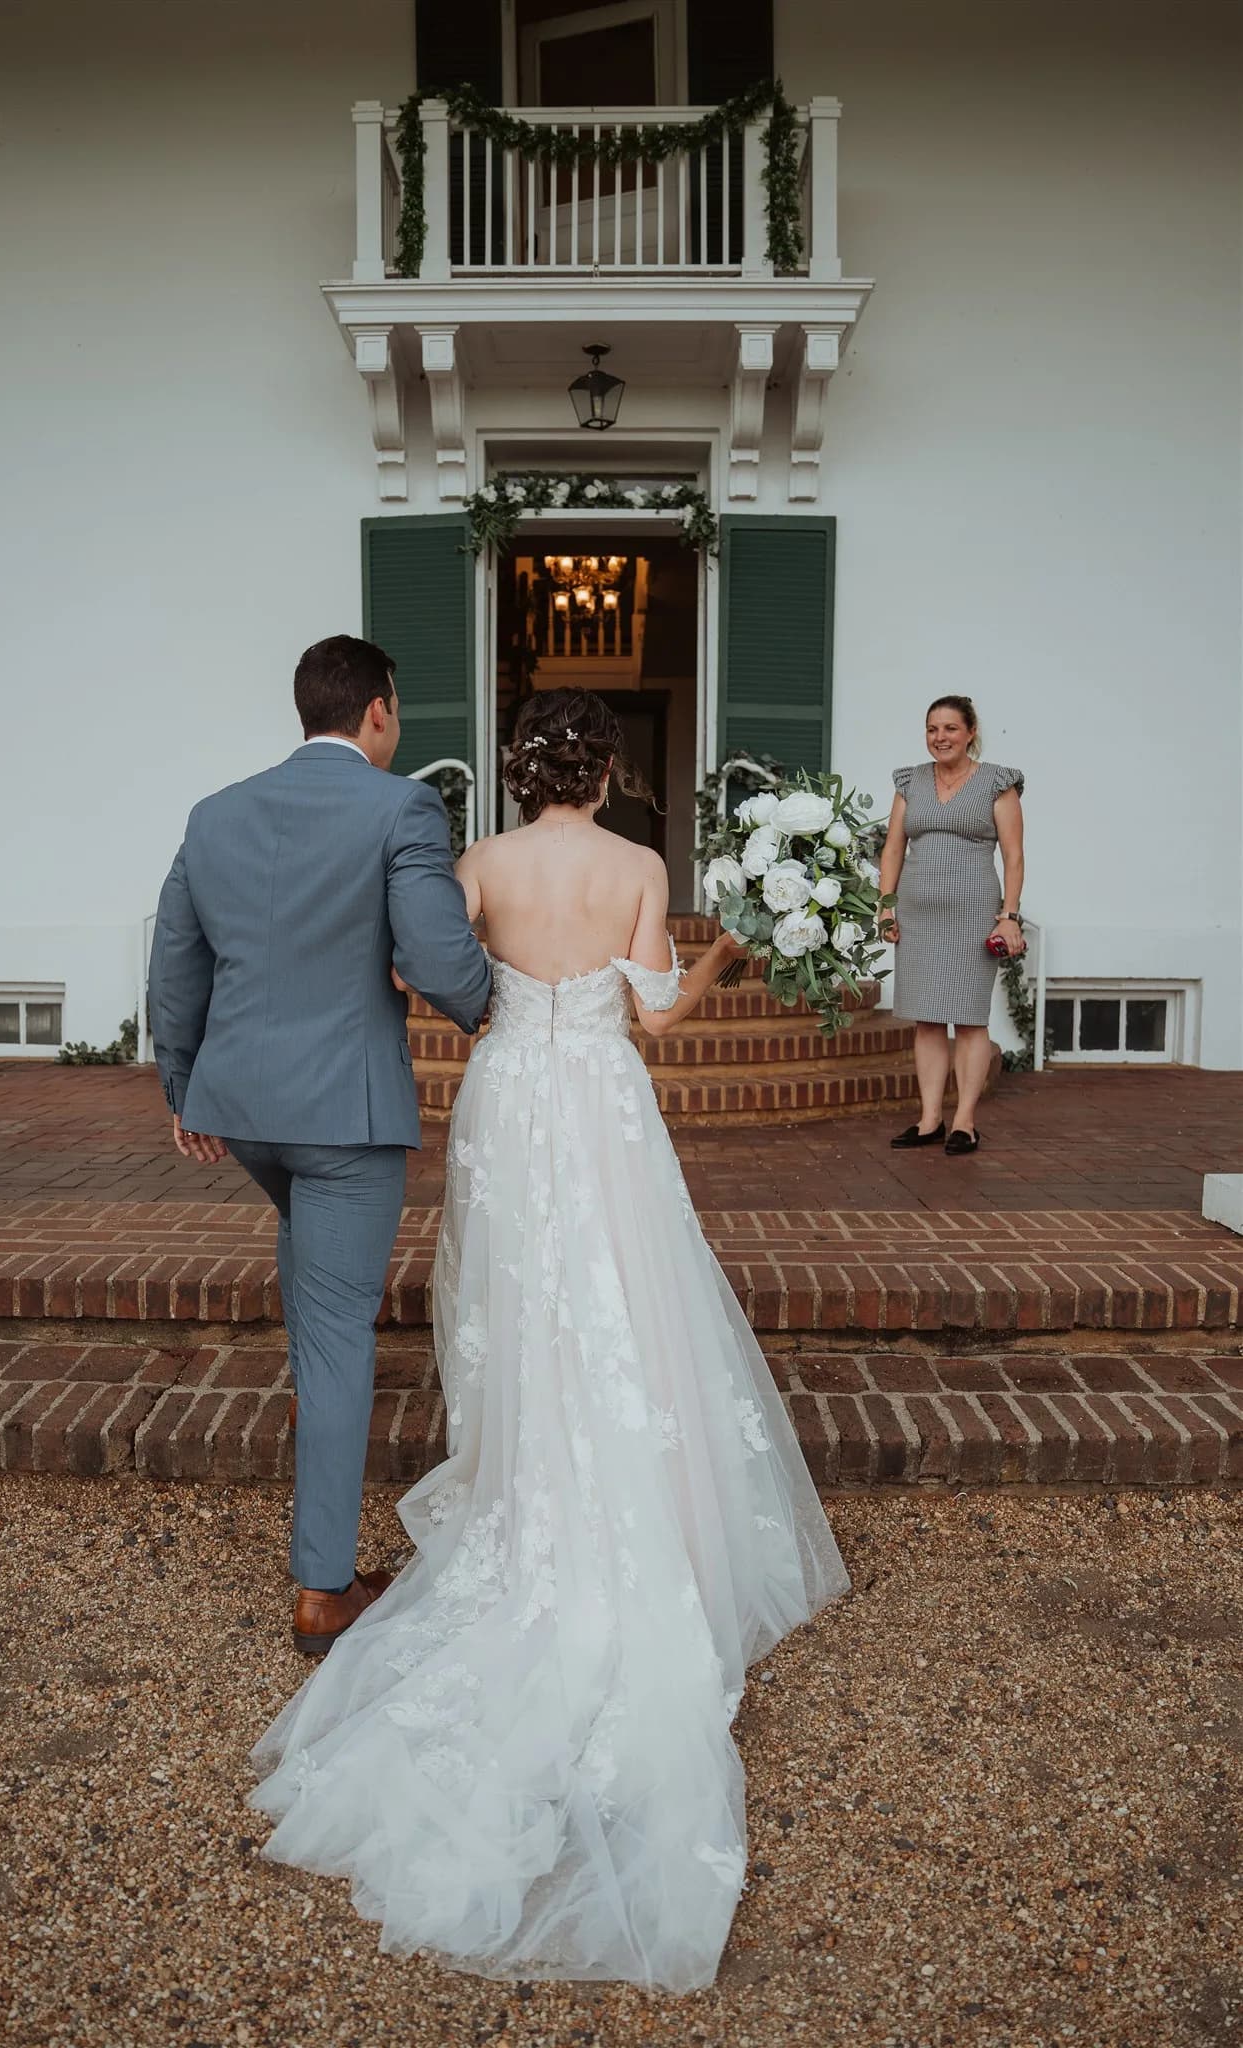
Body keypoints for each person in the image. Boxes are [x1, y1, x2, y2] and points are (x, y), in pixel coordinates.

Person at [249, 687, 849, 1992]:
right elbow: (657, 1019)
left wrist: (494, 1006)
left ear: (519, 772)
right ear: (608, 768)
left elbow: (426, 975)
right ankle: (631, 1506)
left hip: (511, 1096)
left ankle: (527, 1482)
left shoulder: (473, 864)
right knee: (623, 1299)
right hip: (603, 1103)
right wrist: (722, 961)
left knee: (515, 1306)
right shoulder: (639, 864)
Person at [147, 636, 491, 1653]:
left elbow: (175, 961)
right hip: (344, 1113)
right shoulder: (402, 807)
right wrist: (491, 1007)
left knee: (310, 1259)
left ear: (309, 711)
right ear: (378, 710)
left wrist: (183, 1084)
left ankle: (319, 1431)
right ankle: (324, 1588)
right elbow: (438, 953)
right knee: (343, 1330)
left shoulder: (215, 813)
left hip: (243, 1107)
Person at [878, 694, 1026, 1155]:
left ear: (970, 733)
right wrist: (886, 907)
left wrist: (1009, 916)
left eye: (950, 729)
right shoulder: (911, 781)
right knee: (926, 1019)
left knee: (967, 1020)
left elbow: (1014, 856)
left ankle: (964, 1122)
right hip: (918, 914)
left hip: (973, 913)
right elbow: (893, 849)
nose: (939, 738)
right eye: (932, 730)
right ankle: (928, 1120)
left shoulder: (996, 783)